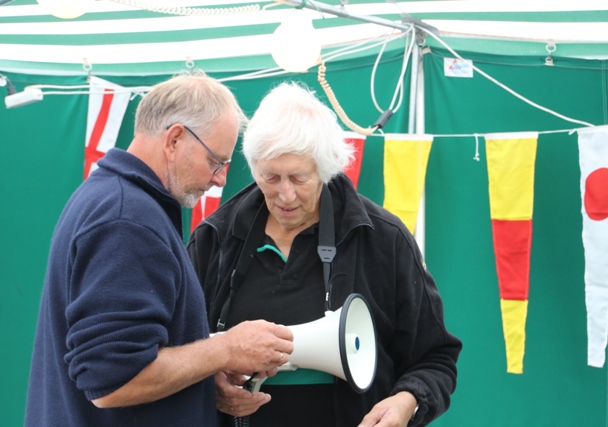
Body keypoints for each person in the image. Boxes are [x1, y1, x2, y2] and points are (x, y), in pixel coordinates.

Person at [24, 70, 294, 427]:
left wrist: (200, 376)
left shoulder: (110, 198)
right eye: (215, 161)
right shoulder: (127, 219)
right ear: (175, 139)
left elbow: (126, 360)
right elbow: (112, 380)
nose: (220, 179)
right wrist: (225, 349)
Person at [187, 82, 462, 427]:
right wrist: (206, 379)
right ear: (254, 167)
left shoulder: (383, 240)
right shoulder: (214, 238)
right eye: (270, 177)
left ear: (325, 168)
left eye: (299, 178)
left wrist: (406, 402)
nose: (286, 194)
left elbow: (435, 358)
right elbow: (176, 354)